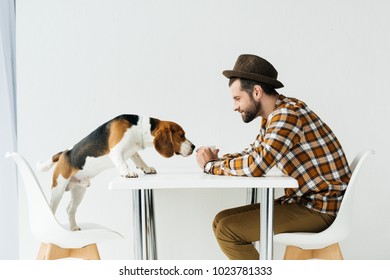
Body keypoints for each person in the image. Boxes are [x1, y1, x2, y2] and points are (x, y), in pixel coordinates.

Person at [195, 54, 351, 260]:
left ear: (257, 92)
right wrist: (218, 161)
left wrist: (210, 167)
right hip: (307, 201)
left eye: (237, 98)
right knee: (220, 220)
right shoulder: (275, 115)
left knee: (227, 230)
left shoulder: (286, 115)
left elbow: (256, 167)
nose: (234, 106)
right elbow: (255, 153)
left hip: (320, 208)